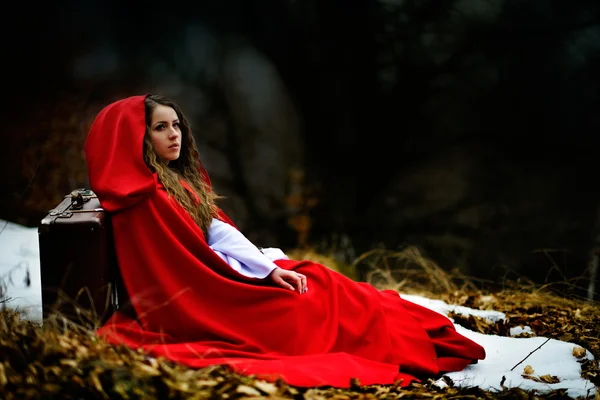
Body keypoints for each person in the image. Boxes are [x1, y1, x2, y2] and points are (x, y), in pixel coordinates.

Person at [84, 94, 486, 388]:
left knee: (321, 281)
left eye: (176, 125)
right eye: (160, 127)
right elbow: (188, 274)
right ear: (134, 138)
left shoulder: (171, 184)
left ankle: (395, 330)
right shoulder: (148, 200)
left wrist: (268, 268)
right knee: (318, 301)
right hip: (218, 303)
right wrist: (259, 277)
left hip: (233, 278)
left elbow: (211, 231)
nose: (175, 135)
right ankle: (393, 340)